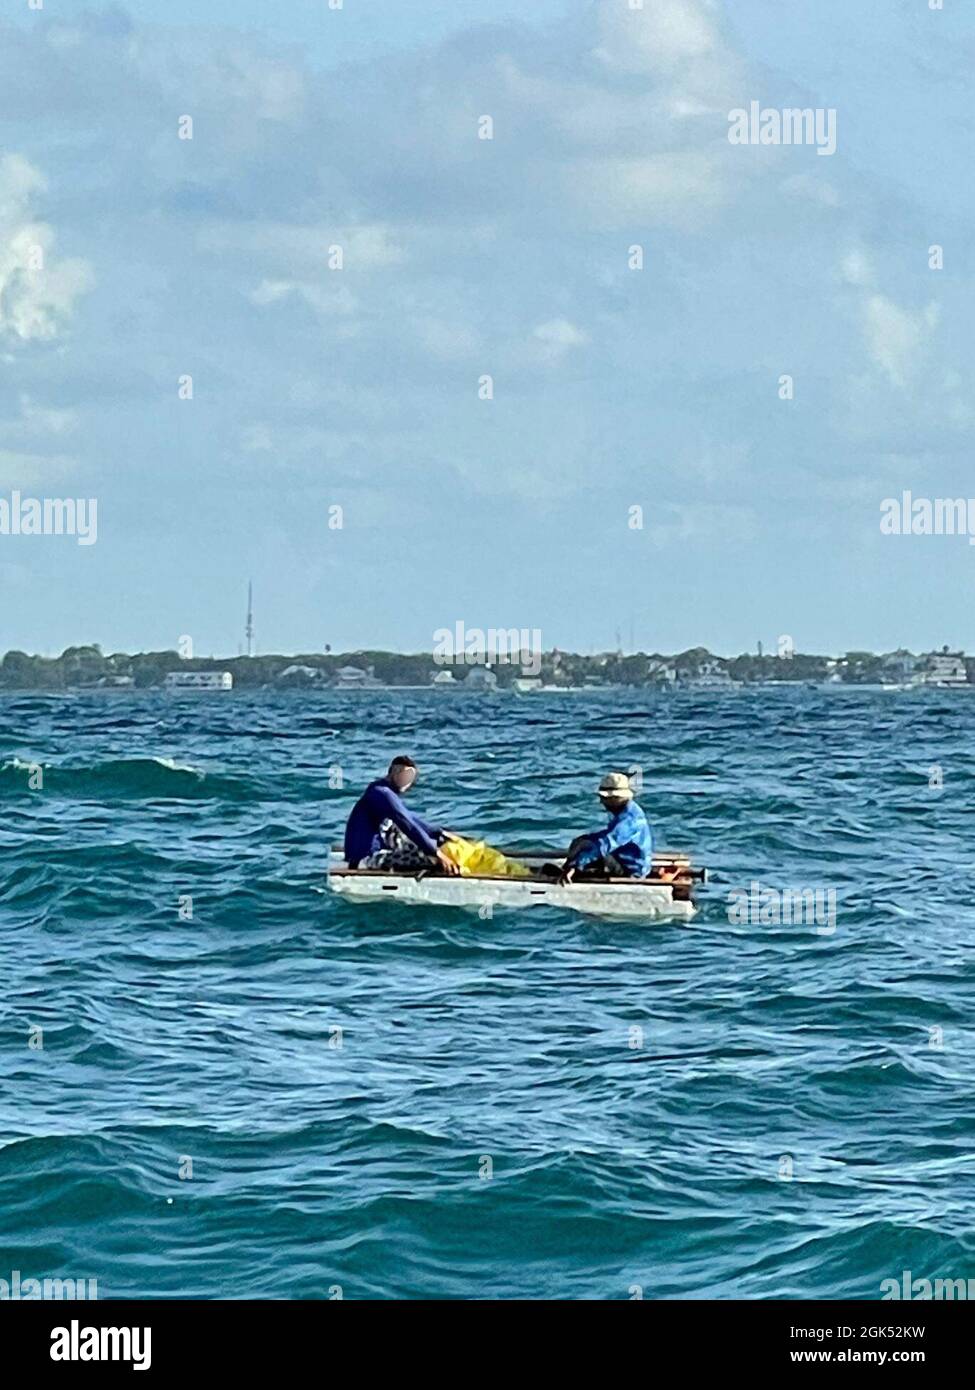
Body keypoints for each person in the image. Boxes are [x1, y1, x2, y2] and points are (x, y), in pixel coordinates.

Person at [344, 756, 460, 874]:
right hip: (368, 859)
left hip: (372, 854)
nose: (407, 782)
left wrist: (440, 833)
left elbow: (412, 819)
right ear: (394, 772)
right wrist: (437, 854)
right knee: (433, 860)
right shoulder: (382, 793)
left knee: (435, 844)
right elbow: (408, 825)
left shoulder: (383, 792)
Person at [560, 772, 653, 882]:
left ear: (615, 798)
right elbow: (607, 836)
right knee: (583, 842)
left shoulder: (629, 821)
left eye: (604, 798)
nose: (601, 802)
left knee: (594, 851)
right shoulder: (627, 811)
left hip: (631, 870)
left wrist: (578, 864)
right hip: (622, 858)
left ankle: (573, 870)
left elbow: (605, 844)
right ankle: (571, 868)